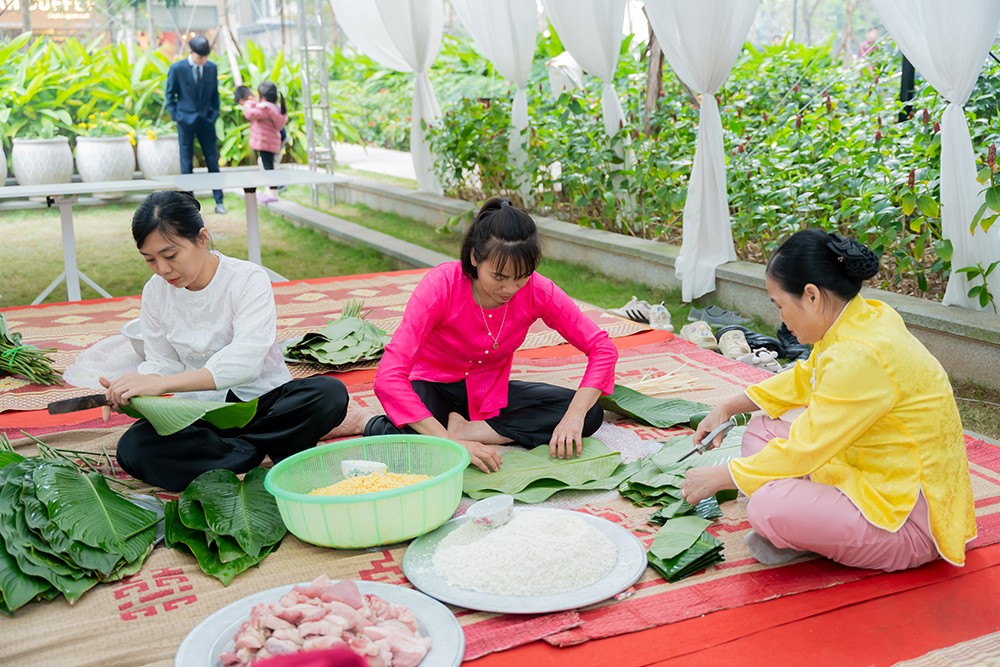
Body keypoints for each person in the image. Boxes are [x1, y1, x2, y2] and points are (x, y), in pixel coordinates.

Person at [679, 229, 976, 571]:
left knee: (766, 508)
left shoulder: (859, 354)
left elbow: (806, 449)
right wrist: (727, 407)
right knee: (761, 430)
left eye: (780, 305)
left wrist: (718, 478)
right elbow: (806, 376)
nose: (781, 319)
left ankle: (803, 530)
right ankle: (808, 528)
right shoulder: (862, 316)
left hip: (908, 520)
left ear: (811, 296)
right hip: (869, 474)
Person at [103, 191, 365, 491]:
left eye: (171, 255)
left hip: (265, 403)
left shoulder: (247, 278)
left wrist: (161, 385)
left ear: (202, 238)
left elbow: (245, 363)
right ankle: (260, 451)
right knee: (133, 447)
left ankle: (229, 456)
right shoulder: (155, 292)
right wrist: (135, 388)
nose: (162, 269)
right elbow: (162, 362)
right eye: (150, 260)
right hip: (201, 412)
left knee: (328, 393)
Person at [365, 197, 619, 473]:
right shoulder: (441, 286)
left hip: (488, 395)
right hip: (431, 386)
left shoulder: (537, 290)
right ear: (475, 257)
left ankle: (472, 430)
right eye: (498, 277)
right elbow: (389, 376)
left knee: (589, 414)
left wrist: (574, 416)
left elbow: (602, 348)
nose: (510, 289)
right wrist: (451, 444)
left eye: (521, 277)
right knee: (412, 450)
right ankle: (370, 422)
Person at [166, 35, 227, 215]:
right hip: (185, 121)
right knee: (186, 163)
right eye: (200, 57)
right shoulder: (177, 68)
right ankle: (189, 206)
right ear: (191, 53)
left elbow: (215, 94)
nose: (203, 61)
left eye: (205, 57)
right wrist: (178, 117)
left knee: (212, 161)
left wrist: (214, 114)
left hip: (207, 120)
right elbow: (170, 96)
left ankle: (219, 201)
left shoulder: (211, 68)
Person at [240, 81, 288, 204]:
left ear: (263, 96)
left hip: (265, 144)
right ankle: (270, 191)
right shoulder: (274, 108)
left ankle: (272, 193)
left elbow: (249, 114)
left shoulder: (265, 109)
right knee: (267, 166)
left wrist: (248, 103)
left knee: (268, 169)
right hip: (270, 143)